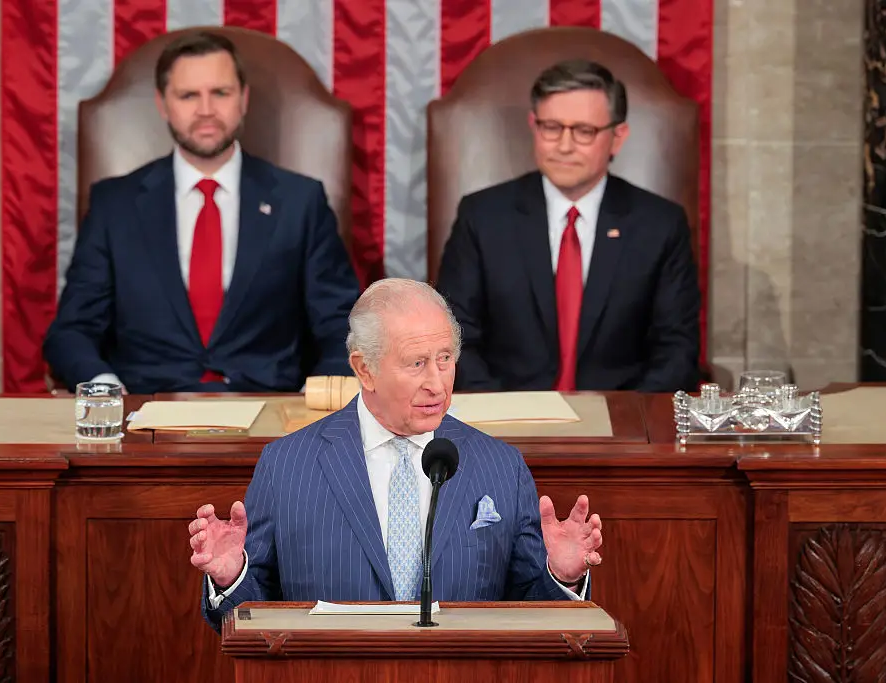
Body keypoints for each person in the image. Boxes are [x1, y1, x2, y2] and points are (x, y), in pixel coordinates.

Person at [188, 279, 603, 632]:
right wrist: (231, 578)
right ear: (364, 369)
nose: (437, 384)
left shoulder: (500, 466)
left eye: (445, 360)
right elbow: (250, 620)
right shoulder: (288, 465)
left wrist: (562, 576)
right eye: (417, 363)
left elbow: (530, 614)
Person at [44, 31, 360, 394]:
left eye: (220, 93)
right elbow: (72, 330)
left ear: (243, 99)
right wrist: (105, 391)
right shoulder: (114, 205)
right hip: (145, 415)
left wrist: (320, 395)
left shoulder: (299, 201)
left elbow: (342, 324)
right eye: (188, 95)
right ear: (163, 104)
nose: (206, 109)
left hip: (269, 414)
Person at [436, 58, 700, 393]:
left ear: (617, 137)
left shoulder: (660, 225)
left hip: (621, 424)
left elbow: (676, 351)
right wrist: (502, 420)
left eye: (584, 131)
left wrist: (628, 423)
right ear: (534, 126)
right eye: (552, 127)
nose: (563, 145)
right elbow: (455, 339)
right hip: (506, 419)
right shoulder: (483, 216)